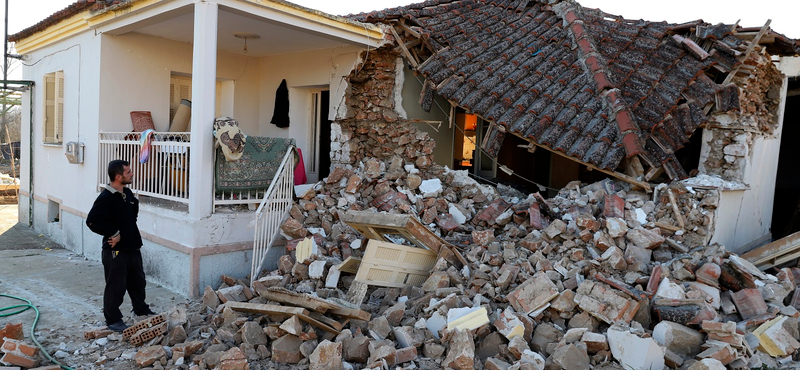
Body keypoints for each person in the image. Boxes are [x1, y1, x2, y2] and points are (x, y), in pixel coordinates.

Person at [86, 160, 155, 332]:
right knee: (116, 286)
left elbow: (133, 213)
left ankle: (140, 310)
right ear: (118, 176)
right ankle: (113, 319)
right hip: (115, 251)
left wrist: (127, 232)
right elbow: (93, 221)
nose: (132, 173)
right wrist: (114, 233)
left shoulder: (128, 194)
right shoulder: (106, 198)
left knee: (138, 281)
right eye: (128, 172)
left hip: (132, 248)